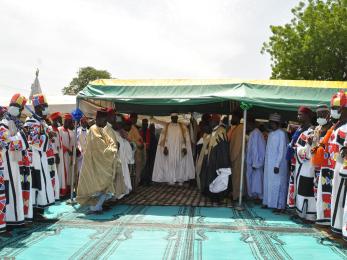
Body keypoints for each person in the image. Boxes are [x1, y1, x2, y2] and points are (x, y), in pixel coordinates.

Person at [77, 109, 121, 214]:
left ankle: (98, 206)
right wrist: (113, 148)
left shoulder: (100, 128)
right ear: (99, 119)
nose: (106, 123)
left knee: (104, 187)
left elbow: (109, 141)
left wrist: (113, 145)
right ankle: (94, 207)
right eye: (105, 120)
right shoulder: (93, 129)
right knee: (98, 187)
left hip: (101, 163)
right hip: (95, 164)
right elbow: (100, 147)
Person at [0, 94, 31, 228]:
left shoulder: (14, 124)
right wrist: (20, 138)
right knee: (9, 191)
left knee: (15, 189)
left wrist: (19, 138)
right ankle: (10, 220)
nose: (20, 110)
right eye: (19, 107)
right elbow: (6, 144)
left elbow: (17, 142)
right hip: (6, 164)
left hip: (14, 163)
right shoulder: (3, 125)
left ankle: (17, 219)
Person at [25, 94, 56, 220]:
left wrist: (48, 133)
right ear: (38, 108)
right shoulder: (31, 122)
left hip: (42, 157)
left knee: (43, 182)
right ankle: (35, 210)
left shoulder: (40, 121)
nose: (46, 109)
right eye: (45, 106)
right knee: (37, 183)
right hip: (35, 159)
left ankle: (40, 209)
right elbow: (33, 140)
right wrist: (47, 136)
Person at [152, 113, 195, 185]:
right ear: (171, 118)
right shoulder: (167, 126)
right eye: (173, 118)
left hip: (179, 149)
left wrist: (184, 147)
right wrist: (165, 147)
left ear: (177, 118)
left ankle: (180, 179)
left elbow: (184, 137)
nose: (174, 119)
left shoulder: (182, 126)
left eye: (175, 117)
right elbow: (164, 138)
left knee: (180, 163)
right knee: (170, 164)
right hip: (170, 149)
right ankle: (171, 179)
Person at [309, 104, 333, 225]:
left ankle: (328, 220)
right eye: (318, 115)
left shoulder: (332, 129)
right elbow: (313, 148)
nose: (319, 117)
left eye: (322, 115)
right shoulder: (317, 129)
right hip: (317, 167)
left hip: (329, 167)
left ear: (328, 115)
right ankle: (320, 217)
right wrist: (312, 146)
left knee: (328, 193)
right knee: (317, 191)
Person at [199, 114, 231, 201]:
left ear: (216, 121)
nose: (210, 122)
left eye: (212, 121)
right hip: (211, 159)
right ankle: (211, 195)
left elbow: (223, 146)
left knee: (217, 178)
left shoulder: (221, 131)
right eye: (210, 121)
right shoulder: (212, 131)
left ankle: (218, 197)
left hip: (218, 159)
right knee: (210, 177)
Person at [292, 106, 316, 221]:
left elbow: (309, 151)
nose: (298, 117)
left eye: (300, 114)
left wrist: (297, 149)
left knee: (306, 191)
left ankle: (308, 215)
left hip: (308, 166)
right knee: (300, 189)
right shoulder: (302, 130)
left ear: (307, 115)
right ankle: (300, 212)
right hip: (300, 166)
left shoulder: (312, 131)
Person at [329, 91, 347, 235]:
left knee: (342, 200)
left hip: (343, 168)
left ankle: (341, 228)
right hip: (336, 167)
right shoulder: (337, 127)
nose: (335, 111)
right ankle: (336, 227)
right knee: (336, 198)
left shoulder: (344, 129)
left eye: (337, 108)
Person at [263, 113, 289, 212]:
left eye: (272, 123)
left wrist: (277, 164)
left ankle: (280, 206)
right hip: (269, 164)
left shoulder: (281, 134)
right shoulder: (270, 134)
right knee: (269, 184)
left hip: (278, 165)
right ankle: (268, 202)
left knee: (279, 185)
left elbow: (282, 150)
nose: (270, 125)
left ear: (277, 123)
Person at [103, 110, 129, 198]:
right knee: (113, 178)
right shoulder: (106, 128)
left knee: (118, 177)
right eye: (113, 116)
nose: (115, 118)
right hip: (111, 157)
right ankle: (111, 197)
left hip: (118, 157)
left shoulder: (112, 128)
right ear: (109, 117)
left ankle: (115, 196)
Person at [246, 117, 266, 201]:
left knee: (256, 180)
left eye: (248, 124)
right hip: (253, 161)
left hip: (255, 162)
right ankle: (254, 196)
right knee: (253, 179)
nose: (247, 126)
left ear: (252, 124)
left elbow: (256, 150)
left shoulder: (256, 133)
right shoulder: (254, 133)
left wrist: (255, 162)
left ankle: (257, 197)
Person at [228, 110, 244, 201]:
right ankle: (235, 194)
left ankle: (237, 196)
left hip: (237, 157)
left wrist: (232, 157)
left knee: (237, 177)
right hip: (235, 156)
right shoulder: (236, 128)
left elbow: (237, 145)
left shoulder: (240, 128)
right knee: (235, 177)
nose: (232, 119)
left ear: (238, 118)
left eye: (233, 117)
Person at [58, 113, 75, 197]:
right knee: (62, 172)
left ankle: (67, 189)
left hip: (68, 155)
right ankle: (61, 191)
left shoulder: (69, 131)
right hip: (62, 154)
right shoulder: (59, 130)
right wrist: (67, 149)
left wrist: (71, 154)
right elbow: (59, 143)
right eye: (69, 122)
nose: (70, 124)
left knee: (68, 172)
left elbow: (71, 144)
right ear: (65, 121)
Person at [50, 112, 65, 199]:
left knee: (59, 173)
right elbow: (52, 143)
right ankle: (54, 193)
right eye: (59, 119)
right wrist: (56, 154)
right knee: (54, 173)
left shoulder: (58, 130)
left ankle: (58, 191)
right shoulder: (50, 129)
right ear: (55, 120)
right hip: (54, 155)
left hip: (60, 153)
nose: (60, 121)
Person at [128, 113, 146, 187]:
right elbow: (129, 139)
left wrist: (142, 144)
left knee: (136, 170)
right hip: (130, 152)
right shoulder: (127, 127)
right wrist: (138, 144)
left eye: (136, 118)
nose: (135, 120)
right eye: (134, 118)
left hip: (137, 153)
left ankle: (134, 185)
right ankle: (131, 186)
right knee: (130, 170)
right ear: (130, 118)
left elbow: (139, 139)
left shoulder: (134, 128)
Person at [140, 119, 157, 186]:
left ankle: (148, 181)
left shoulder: (150, 133)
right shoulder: (139, 132)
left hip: (149, 152)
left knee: (148, 167)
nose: (144, 125)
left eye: (146, 124)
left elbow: (154, 143)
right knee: (142, 167)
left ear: (147, 125)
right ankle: (141, 180)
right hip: (141, 152)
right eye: (143, 124)